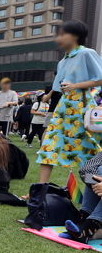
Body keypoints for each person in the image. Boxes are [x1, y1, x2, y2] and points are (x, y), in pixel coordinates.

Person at [37, 20, 102, 183]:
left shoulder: (87, 53)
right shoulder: (62, 61)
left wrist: (76, 85)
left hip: (83, 108)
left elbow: (100, 78)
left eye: (62, 34)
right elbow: (58, 87)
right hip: (63, 108)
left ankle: (93, 195)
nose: (58, 38)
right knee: (47, 146)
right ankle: (39, 191)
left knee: (91, 150)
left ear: (75, 36)